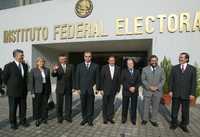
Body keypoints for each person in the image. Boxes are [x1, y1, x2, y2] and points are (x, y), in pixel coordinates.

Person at [169, 52, 196, 133]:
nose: (180, 59)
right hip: (176, 93)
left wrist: (192, 93)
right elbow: (171, 80)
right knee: (174, 110)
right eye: (180, 57)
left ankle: (184, 125)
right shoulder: (174, 68)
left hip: (186, 94)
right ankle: (174, 124)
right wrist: (170, 90)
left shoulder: (192, 69)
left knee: (185, 111)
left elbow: (193, 82)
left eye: (182, 57)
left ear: (186, 59)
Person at [3, 49, 29, 130]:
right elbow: (4, 78)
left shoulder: (24, 66)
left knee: (23, 107)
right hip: (13, 92)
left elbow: (25, 78)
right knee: (13, 108)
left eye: (23, 55)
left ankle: (22, 121)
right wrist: (11, 86)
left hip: (23, 91)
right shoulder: (9, 66)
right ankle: (13, 123)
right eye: (21, 55)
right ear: (16, 56)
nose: (23, 56)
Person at [75, 51, 100, 126]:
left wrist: (97, 88)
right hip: (82, 89)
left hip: (91, 89)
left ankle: (90, 120)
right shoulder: (79, 66)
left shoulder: (95, 66)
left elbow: (97, 78)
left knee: (90, 105)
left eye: (89, 56)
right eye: (86, 56)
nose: (87, 58)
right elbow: (77, 78)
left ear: (91, 57)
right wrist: (77, 88)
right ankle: (84, 119)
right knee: (83, 105)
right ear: (84, 57)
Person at [141, 55, 165, 127]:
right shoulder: (144, 69)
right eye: (152, 60)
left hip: (157, 92)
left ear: (157, 61)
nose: (154, 62)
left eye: (155, 60)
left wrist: (157, 87)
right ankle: (145, 119)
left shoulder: (161, 69)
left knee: (155, 107)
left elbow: (163, 80)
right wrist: (149, 87)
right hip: (147, 91)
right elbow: (143, 80)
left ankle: (153, 120)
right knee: (146, 106)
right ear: (150, 61)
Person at [52, 54, 75, 123]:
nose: (63, 60)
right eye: (61, 59)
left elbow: (73, 77)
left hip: (68, 88)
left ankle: (68, 116)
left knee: (68, 103)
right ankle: (59, 117)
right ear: (59, 60)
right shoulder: (57, 66)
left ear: (66, 59)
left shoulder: (71, 66)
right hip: (60, 88)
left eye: (64, 59)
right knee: (59, 104)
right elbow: (53, 75)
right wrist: (54, 70)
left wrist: (74, 87)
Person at [29, 57, 51, 127]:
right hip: (37, 90)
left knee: (45, 105)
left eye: (43, 61)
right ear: (37, 62)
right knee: (37, 105)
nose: (42, 63)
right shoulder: (33, 70)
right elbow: (31, 82)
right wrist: (32, 92)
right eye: (40, 61)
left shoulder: (47, 70)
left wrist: (49, 91)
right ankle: (37, 119)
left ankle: (44, 118)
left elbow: (49, 81)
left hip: (45, 89)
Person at [100, 56, 121, 124]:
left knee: (111, 104)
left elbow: (118, 80)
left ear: (114, 61)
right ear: (108, 61)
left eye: (113, 60)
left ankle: (110, 118)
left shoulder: (118, 68)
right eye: (110, 60)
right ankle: (105, 118)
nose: (112, 61)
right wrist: (101, 89)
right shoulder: (104, 67)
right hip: (105, 90)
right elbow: (101, 79)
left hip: (113, 90)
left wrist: (118, 89)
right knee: (105, 104)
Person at [121, 58, 140, 125]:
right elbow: (122, 81)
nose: (130, 65)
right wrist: (129, 88)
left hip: (134, 91)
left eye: (131, 63)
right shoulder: (123, 71)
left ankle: (133, 119)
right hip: (126, 91)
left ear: (133, 64)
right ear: (127, 64)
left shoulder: (137, 71)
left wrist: (135, 87)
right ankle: (124, 118)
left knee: (134, 106)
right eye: (128, 64)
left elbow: (139, 82)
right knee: (125, 106)